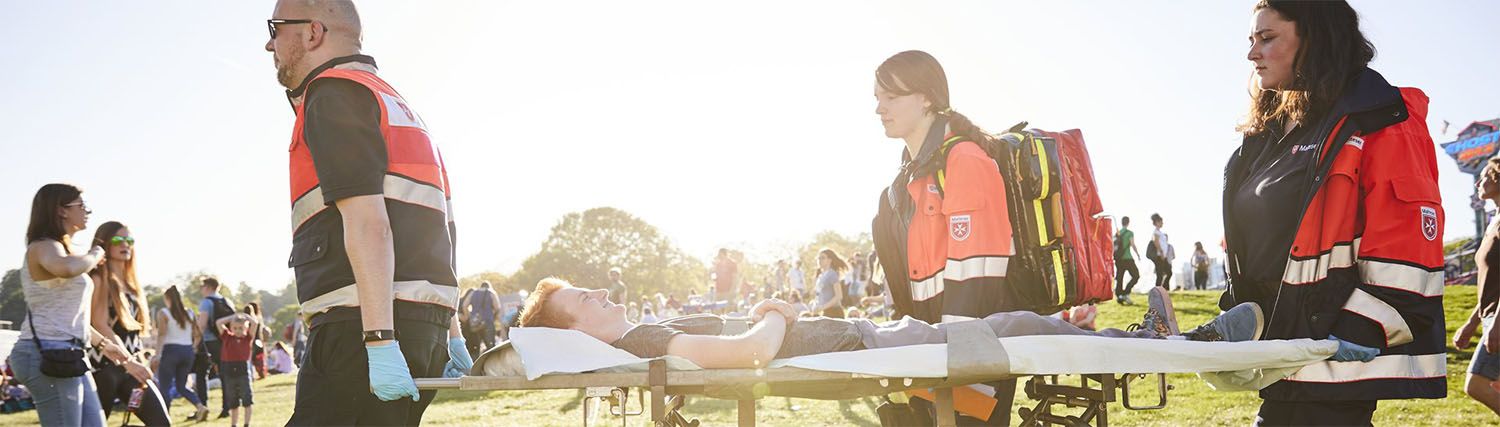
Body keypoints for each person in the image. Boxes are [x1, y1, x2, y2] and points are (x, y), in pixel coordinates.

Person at [1222, 2, 1447, 424]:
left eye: (1267, 39)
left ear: (1316, 38)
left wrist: (1358, 329)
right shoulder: (1269, 133)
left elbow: (1409, 245)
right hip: (1282, 357)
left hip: (1333, 362)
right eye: (1251, 40)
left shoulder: (1381, 118)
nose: (1252, 54)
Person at [267, 1, 464, 423]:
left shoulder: (332, 92)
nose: (269, 44)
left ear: (313, 32)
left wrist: (379, 342)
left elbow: (369, 223)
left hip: (360, 330)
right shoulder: (395, 103)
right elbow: (440, 230)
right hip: (418, 326)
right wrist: (452, 332)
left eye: (276, 28)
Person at [518, 279, 1271, 369]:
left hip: (872, 334)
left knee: (1021, 321)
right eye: (581, 298)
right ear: (579, 331)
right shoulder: (645, 340)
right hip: (867, 341)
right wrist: (777, 312)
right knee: (1018, 326)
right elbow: (746, 354)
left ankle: (1148, 336)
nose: (597, 292)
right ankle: (1184, 343)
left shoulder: (642, 332)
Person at [869, 50, 1040, 425]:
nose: (879, 108)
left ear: (927, 97)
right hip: (931, 353)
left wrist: (956, 363)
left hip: (972, 354)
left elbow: (978, 272)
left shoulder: (965, 159)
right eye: (877, 98)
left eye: (891, 97)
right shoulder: (903, 183)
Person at [9, 184, 133, 426]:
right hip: (45, 352)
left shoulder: (64, 250)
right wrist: (96, 253)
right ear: (61, 211)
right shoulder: (43, 246)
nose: (88, 211)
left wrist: (104, 345)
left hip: (70, 353)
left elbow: (70, 317)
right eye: (82, 205)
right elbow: (66, 268)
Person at [86, 221, 171, 425]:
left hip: (130, 367)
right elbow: (99, 324)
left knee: (161, 422)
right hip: (104, 367)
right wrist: (127, 361)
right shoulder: (98, 278)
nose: (125, 244)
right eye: (118, 240)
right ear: (105, 243)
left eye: (129, 240)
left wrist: (136, 361)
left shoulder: (131, 284)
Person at [1456, 156, 1500, 415]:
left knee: (1478, 384)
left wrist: (1496, 323)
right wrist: (1472, 323)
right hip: (1491, 317)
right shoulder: (1493, 222)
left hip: (1499, 320)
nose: (1478, 183)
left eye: (1484, 177)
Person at [155, 285, 210, 420]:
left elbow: (161, 335)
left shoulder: (164, 313)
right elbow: (197, 334)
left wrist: (157, 354)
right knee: (181, 386)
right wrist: (193, 347)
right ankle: (200, 406)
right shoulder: (189, 313)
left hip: (170, 351)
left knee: (164, 387)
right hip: (187, 351)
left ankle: (164, 418)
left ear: (167, 298)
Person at [195, 277, 236, 419]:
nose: (201, 289)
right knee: (225, 375)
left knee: (201, 374)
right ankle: (227, 407)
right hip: (225, 342)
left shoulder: (206, 303)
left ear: (208, 287)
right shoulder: (227, 301)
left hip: (208, 343)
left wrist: (195, 343)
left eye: (202, 286)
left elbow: (201, 325)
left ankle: (202, 407)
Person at [215, 313, 259, 427]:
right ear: (231, 328)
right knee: (233, 401)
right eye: (235, 328)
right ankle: (233, 424)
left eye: (241, 328)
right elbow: (218, 322)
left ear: (245, 328)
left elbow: (255, 323)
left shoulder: (248, 338)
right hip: (229, 372)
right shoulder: (227, 337)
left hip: (242, 371)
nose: (238, 330)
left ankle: (246, 423)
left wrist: (245, 317)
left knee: (247, 399)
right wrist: (232, 317)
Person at [465, 282, 501, 353]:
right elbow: (497, 308)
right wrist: (493, 316)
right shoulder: (491, 293)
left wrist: (470, 317)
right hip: (488, 322)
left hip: (475, 324)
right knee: (491, 347)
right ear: (488, 287)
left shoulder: (473, 293)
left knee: (475, 348)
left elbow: (464, 306)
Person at [812, 249, 848, 318]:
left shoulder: (832, 274)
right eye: (819, 258)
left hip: (834, 312)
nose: (819, 260)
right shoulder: (820, 275)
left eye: (823, 258)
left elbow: (839, 296)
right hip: (825, 312)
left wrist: (822, 307)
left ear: (829, 260)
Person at [1114, 216, 1142, 304]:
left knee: (1120, 278)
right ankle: (1126, 292)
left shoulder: (1117, 233)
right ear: (1128, 222)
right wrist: (1137, 254)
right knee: (1136, 275)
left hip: (1118, 259)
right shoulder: (1130, 233)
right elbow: (1132, 244)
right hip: (1128, 258)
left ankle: (1119, 295)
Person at [1149, 213, 1173, 290]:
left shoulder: (1160, 232)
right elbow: (1156, 242)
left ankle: (1163, 289)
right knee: (1160, 274)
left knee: (1168, 272)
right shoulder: (1156, 232)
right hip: (1160, 256)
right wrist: (1161, 252)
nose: (1162, 223)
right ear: (1157, 222)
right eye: (1161, 222)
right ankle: (1158, 290)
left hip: (1163, 256)